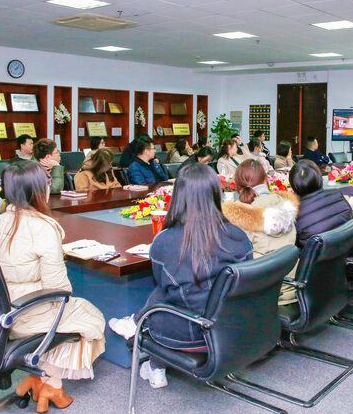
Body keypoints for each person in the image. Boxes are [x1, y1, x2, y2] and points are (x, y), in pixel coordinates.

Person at [107, 163, 252, 389]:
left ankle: (150, 353)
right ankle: (148, 349)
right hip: (233, 327)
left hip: (188, 334)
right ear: (216, 194)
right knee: (173, 294)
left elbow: (162, 285)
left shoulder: (165, 241)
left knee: (164, 297)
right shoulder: (239, 236)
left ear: (178, 196)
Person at [0, 160, 105, 410]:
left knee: (71, 315)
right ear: (39, 190)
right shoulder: (44, 227)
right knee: (90, 317)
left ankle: (39, 379)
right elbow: (58, 289)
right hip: (28, 314)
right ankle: (52, 383)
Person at [221, 159, 299, 304]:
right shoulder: (286, 207)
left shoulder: (240, 217)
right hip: (291, 287)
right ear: (266, 180)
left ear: (237, 185)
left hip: (261, 296)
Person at [290, 159, 353, 248]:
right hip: (347, 252)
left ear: (293, 186)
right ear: (319, 177)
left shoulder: (295, 215)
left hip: (317, 256)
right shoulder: (337, 196)